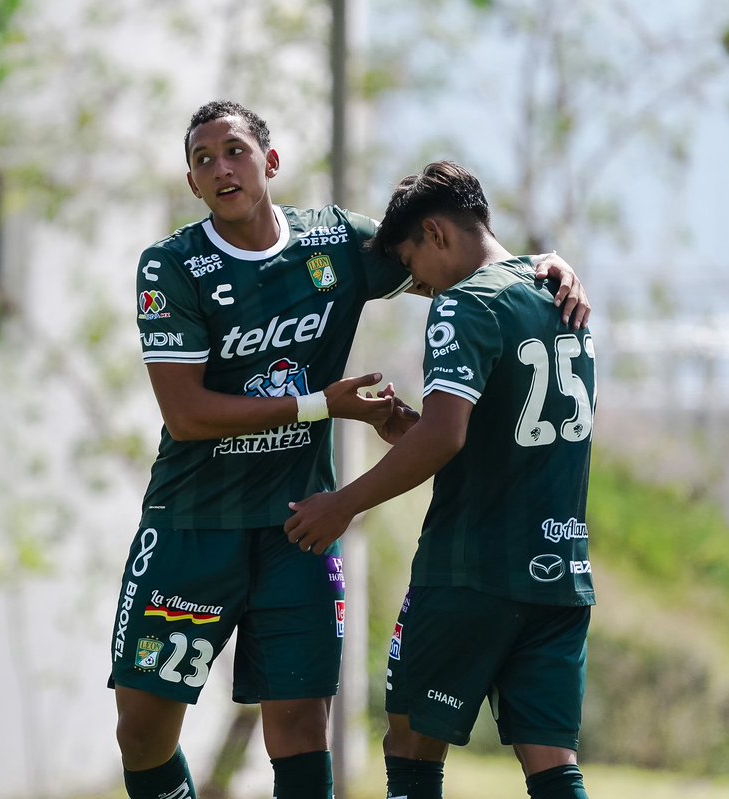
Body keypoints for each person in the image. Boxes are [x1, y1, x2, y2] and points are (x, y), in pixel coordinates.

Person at [110, 103, 591, 799]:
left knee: (303, 725)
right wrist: (320, 405)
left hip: (296, 526)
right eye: (203, 159)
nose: (221, 167)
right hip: (192, 524)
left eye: (234, 150)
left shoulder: (335, 243)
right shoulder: (171, 266)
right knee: (141, 732)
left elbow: (448, 250)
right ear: (192, 183)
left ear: (269, 164)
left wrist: (544, 267)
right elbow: (185, 416)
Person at [283, 160, 597, 799]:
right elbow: (490, 432)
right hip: (561, 574)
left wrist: (342, 505)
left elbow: (447, 435)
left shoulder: (465, 302)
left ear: (436, 233)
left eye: (410, 264)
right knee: (551, 760)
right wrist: (409, 428)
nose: (415, 285)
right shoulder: (558, 295)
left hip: (470, 571)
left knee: (409, 744)